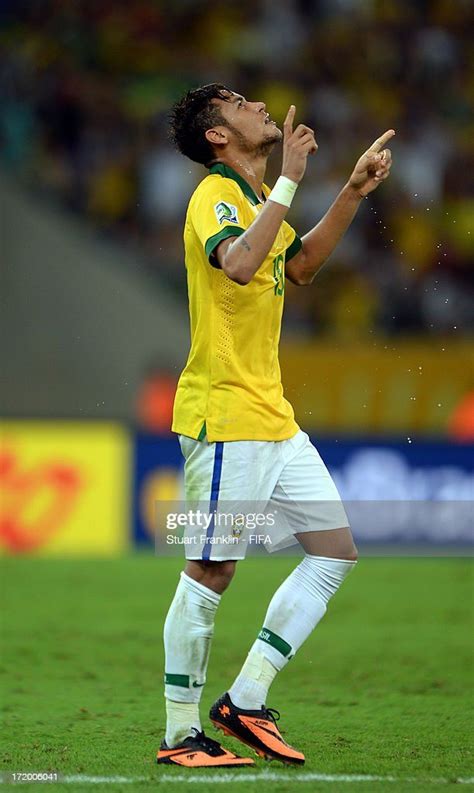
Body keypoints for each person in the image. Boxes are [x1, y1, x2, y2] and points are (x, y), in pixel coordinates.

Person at [157, 83, 394, 767]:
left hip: (273, 416)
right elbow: (237, 265)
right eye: (235, 102)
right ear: (217, 136)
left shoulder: (261, 203)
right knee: (210, 568)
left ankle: (247, 699)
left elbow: (300, 265)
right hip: (226, 414)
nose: (256, 104)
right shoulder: (216, 196)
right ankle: (179, 735)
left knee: (333, 552)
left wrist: (349, 191)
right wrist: (291, 176)